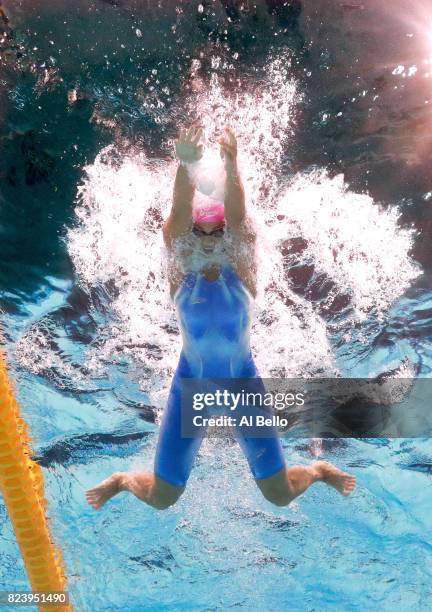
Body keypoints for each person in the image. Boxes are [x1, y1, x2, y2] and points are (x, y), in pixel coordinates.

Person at [86, 126, 356, 510]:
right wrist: (186, 164)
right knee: (163, 498)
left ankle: (319, 470)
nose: (209, 238)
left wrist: (232, 166)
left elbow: (240, 216)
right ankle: (122, 480)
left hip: (243, 382)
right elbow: (177, 216)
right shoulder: (180, 272)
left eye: (218, 231)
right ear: (190, 235)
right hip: (190, 385)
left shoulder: (243, 268)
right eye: (200, 232)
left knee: (278, 495)